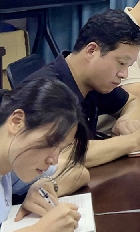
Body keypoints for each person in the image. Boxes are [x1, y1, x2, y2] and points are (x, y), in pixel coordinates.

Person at [25, 10, 140, 168]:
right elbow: (57, 156)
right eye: (121, 63)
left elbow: (135, 102)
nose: (124, 74)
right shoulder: (47, 90)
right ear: (91, 51)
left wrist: (127, 120)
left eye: (128, 66)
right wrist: (135, 140)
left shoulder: (94, 81)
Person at [0, 78, 90, 232]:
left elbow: (79, 172)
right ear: (17, 121)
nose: (53, 160)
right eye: (50, 142)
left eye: (61, 149)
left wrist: (48, 184)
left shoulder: (11, 163)